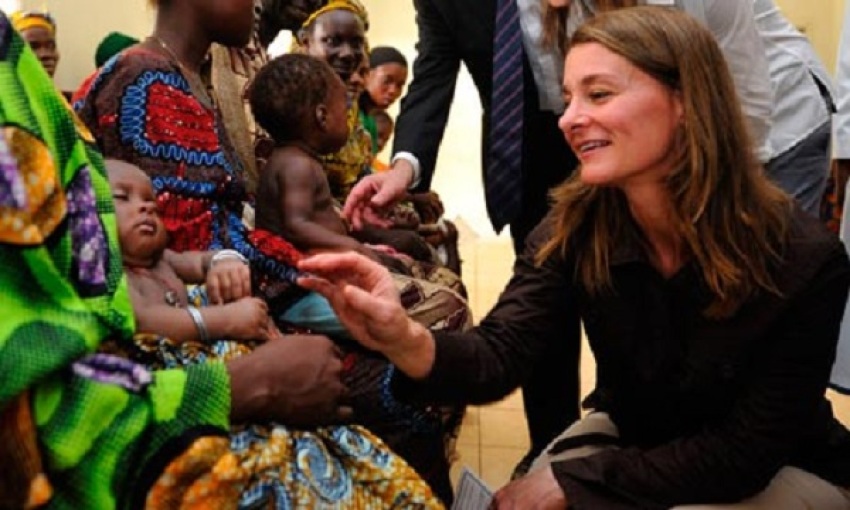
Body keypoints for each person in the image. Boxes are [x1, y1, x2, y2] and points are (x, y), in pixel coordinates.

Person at [298, 7, 850, 509]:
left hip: (775, 466)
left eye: (600, 95)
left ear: (685, 101)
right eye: (568, 100)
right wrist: (402, 335)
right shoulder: (575, 224)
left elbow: (743, 454)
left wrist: (576, 481)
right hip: (637, 435)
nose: (567, 120)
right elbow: (500, 355)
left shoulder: (803, 257)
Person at [0, 12, 443, 509]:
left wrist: (235, 266)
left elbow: (202, 242)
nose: (256, 7)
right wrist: (247, 375)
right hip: (150, 392)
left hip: (205, 330)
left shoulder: (203, 78)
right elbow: (141, 266)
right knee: (401, 381)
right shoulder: (140, 80)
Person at [341, 0, 583, 472]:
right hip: (529, 158)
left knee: (627, 295)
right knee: (545, 311)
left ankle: (625, 440)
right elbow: (433, 76)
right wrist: (403, 170)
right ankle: (552, 451)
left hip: (622, 136)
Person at [249, 53, 470, 502]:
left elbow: (319, 217)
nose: (351, 121)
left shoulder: (298, 160)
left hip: (322, 273)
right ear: (321, 115)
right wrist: (357, 250)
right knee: (437, 309)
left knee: (432, 281)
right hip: (300, 291)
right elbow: (295, 224)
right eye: (344, 109)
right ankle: (428, 384)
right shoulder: (296, 164)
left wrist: (365, 240)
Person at [543, 0, 832, 218]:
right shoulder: (570, 7)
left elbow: (750, 99)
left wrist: (733, 198)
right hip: (694, 144)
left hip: (778, 127)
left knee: (764, 263)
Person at [107, 158, 277, 344]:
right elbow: (143, 320)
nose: (147, 207)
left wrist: (225, 262)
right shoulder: (107, 271)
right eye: (122, 197)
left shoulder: (162, 260)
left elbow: (199, 262)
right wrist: (228, 319)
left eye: (153, 204)